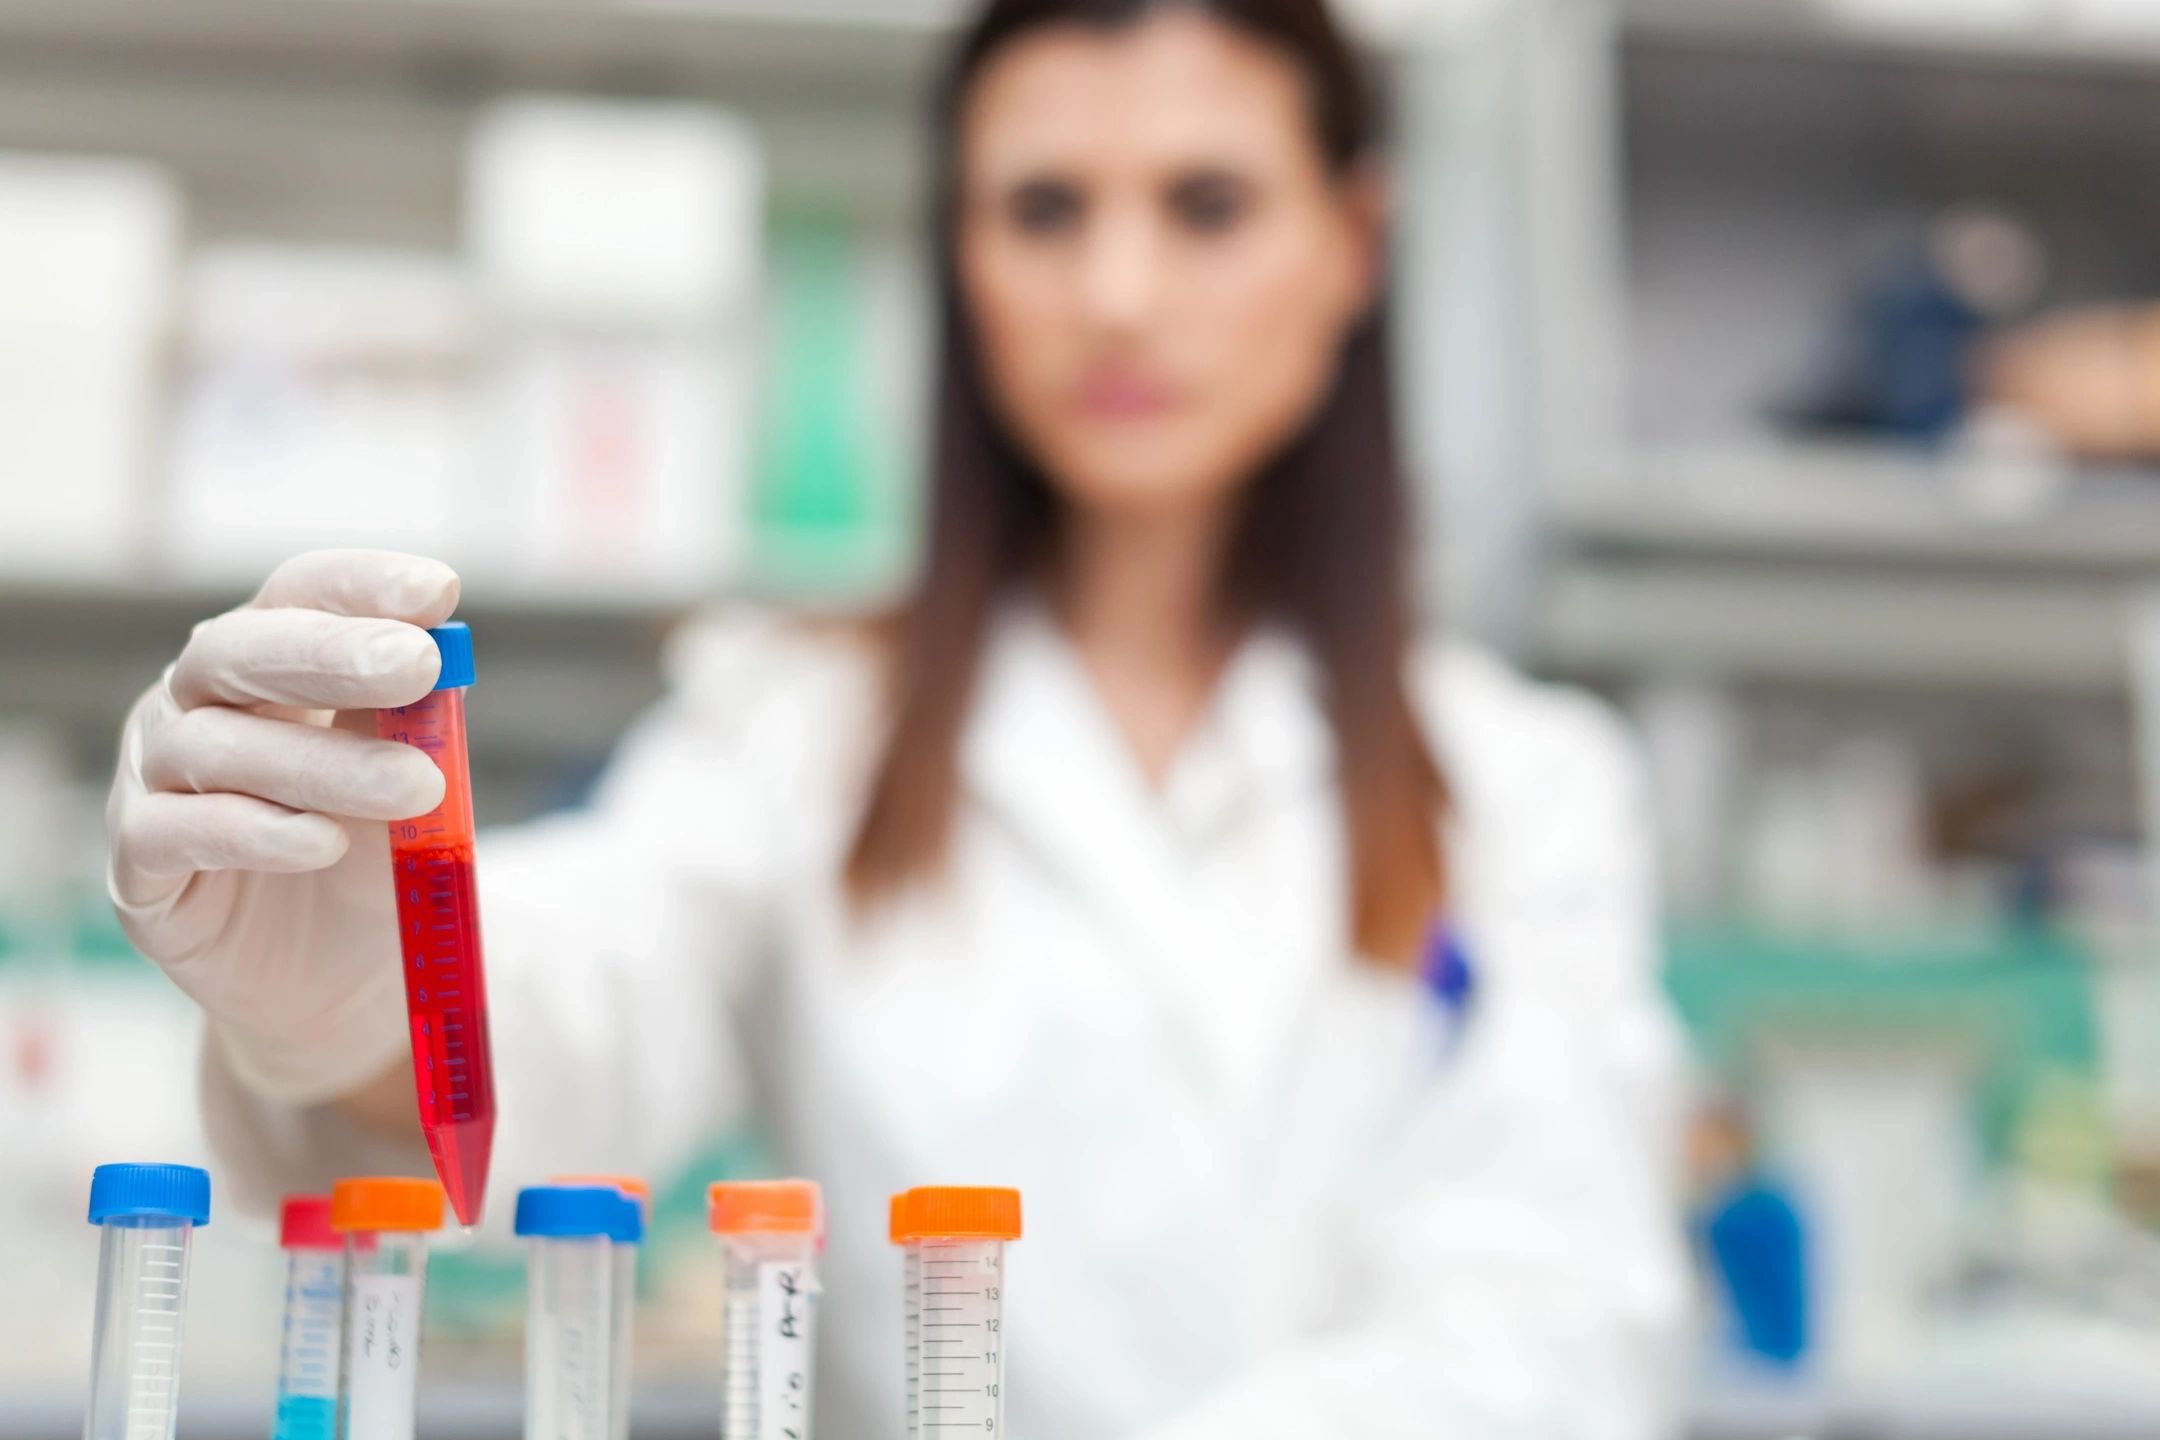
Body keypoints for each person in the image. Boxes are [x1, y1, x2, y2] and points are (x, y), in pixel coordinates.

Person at [106, 0, 1687, 1434]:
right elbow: (600, 989)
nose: (1119, 295)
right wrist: (372, 988)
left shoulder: (1526, 786)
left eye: (1207, 205)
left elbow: (1546, 1324)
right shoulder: (803, 733)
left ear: (1352, 241)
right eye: (1044, 209)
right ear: (962, 255)